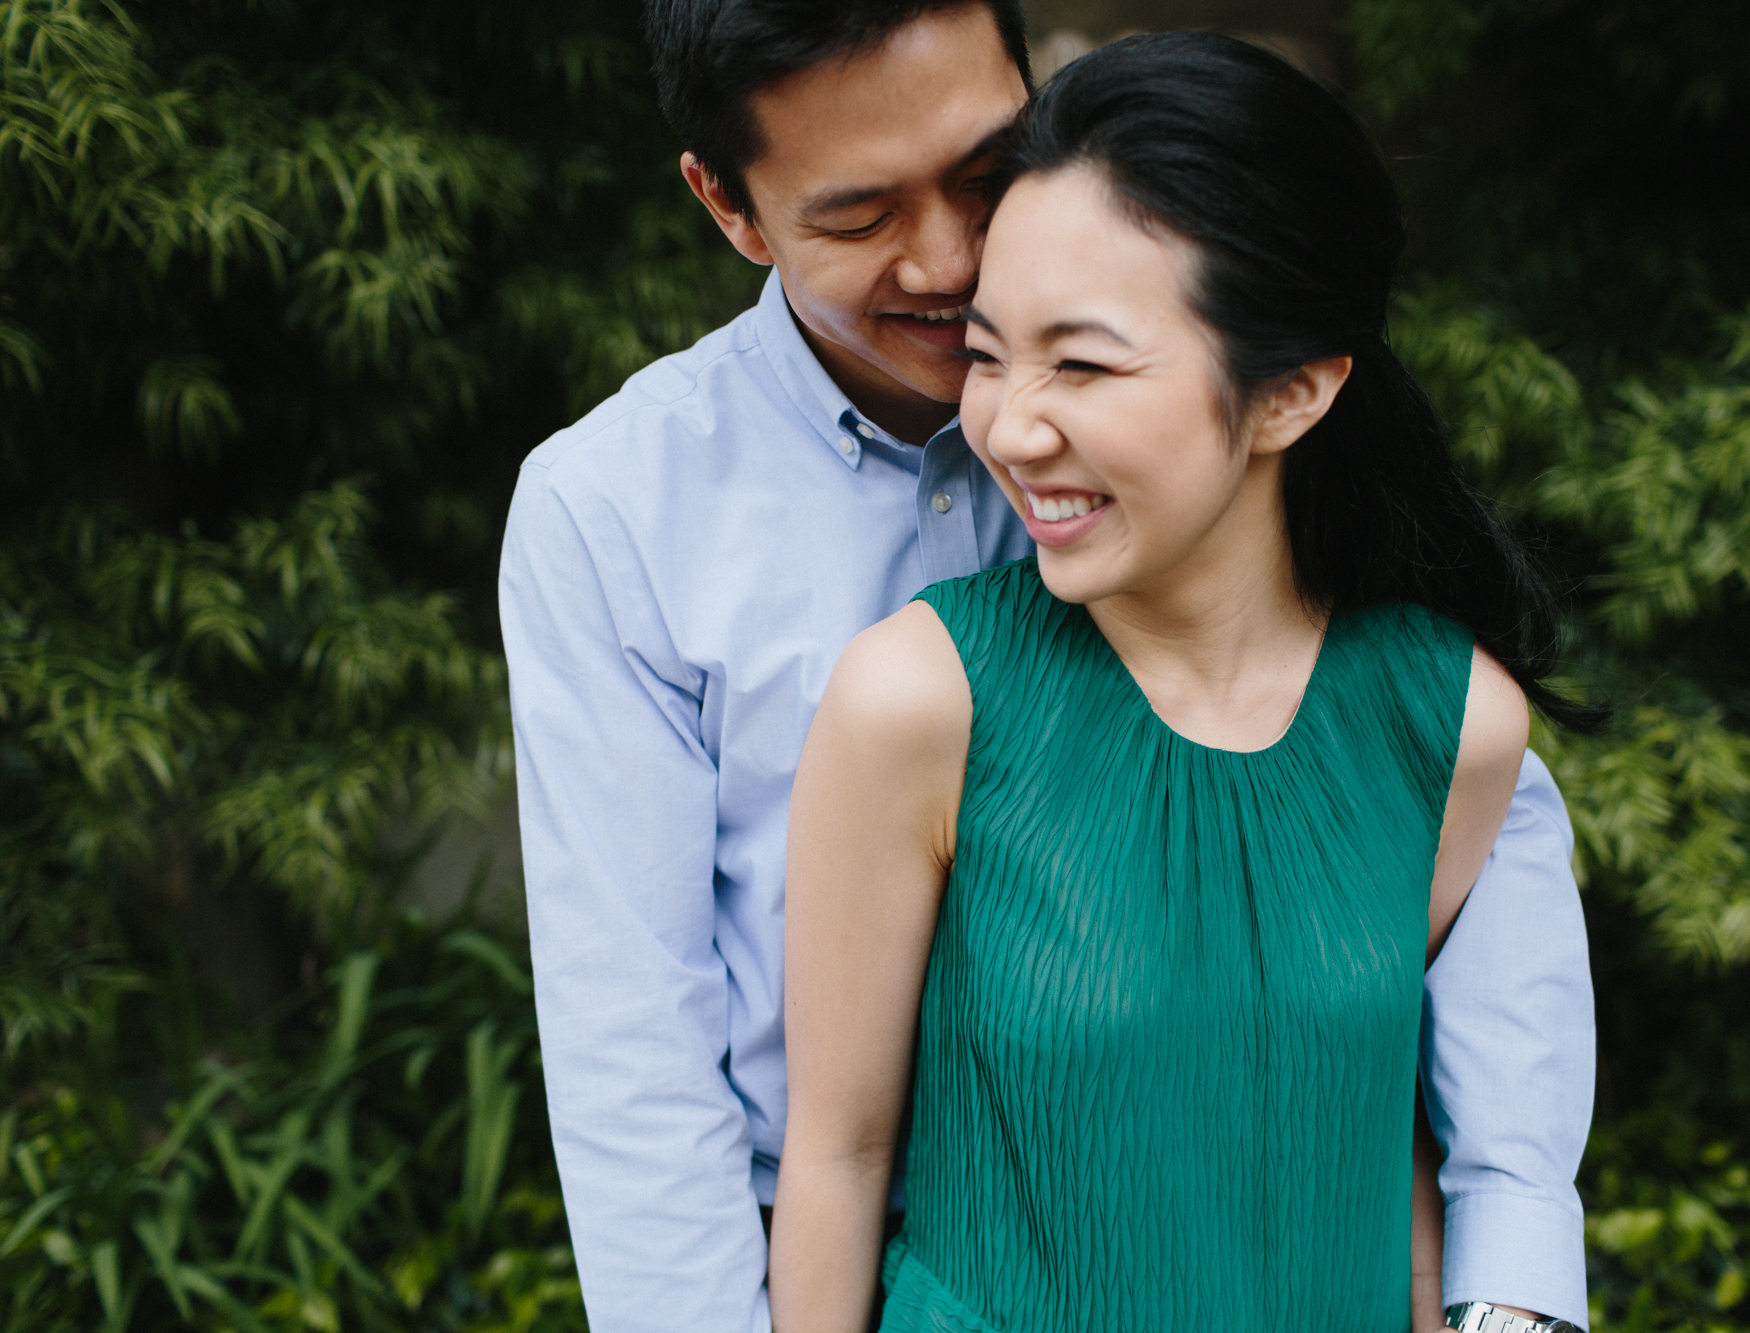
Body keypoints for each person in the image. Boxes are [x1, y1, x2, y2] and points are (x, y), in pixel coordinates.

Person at [496, 4, 1595, 1331]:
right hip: (827, 1263)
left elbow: (1456, 972)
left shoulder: (1197, 418)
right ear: (728, 206)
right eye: (859, 218)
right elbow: (638, 1060)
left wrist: (1500, 1283)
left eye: (981, 169)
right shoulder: (619, 514)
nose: (954, 258)